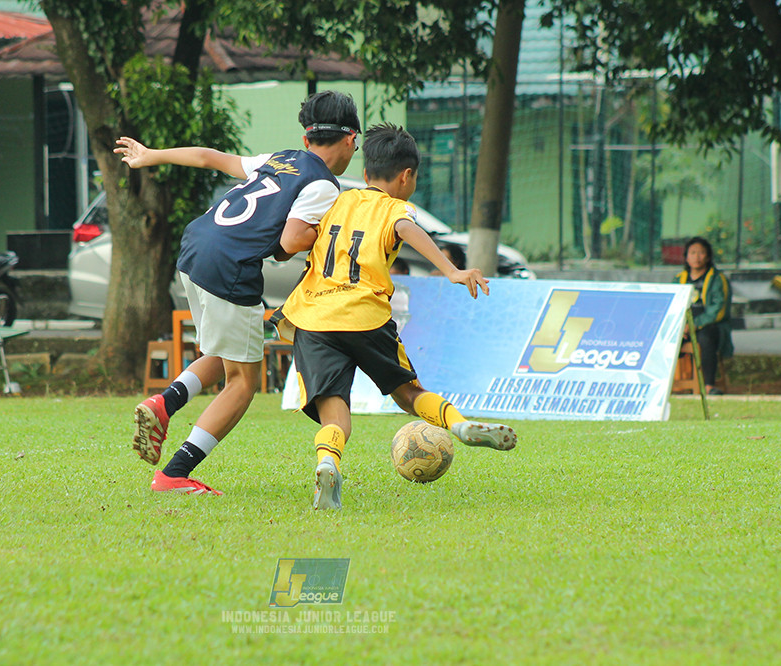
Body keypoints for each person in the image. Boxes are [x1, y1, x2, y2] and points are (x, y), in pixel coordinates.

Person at [114, 90, 361, 495]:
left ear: (306, 139)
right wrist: (330, 235)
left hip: (195, 247)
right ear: (351, 139)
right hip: (230, 265)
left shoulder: (279, 158)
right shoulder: (324, 186)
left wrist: (151, 154)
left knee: (224, 352)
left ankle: (164, 404)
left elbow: (210, 158)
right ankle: (175, 473)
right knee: (244, 381)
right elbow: (294, 237)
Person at [272, 124, 517, 511]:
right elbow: (406, 227)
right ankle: (459, 424)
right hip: (364, 316)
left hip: (314, 316)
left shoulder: (337, 199)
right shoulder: (395, 208)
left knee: (334, 411)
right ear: (406, 176)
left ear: (366, 172)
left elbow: (293, 235)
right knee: (409, 394)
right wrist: (451, 270)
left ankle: (327, 463)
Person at [674, 236, 733, 395]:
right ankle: (669, 385)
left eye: (701, 253)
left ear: (708, 256)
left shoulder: (717, 279)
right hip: (684, 326)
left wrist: (695, 324)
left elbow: (718, 310)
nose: (697, 257)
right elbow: (672, 306)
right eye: (692, 253)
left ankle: (708, 386)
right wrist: (681, 326)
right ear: (686, 256)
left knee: (706, 340)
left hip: (710, 325)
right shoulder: (679, 280)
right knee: (667, 339)